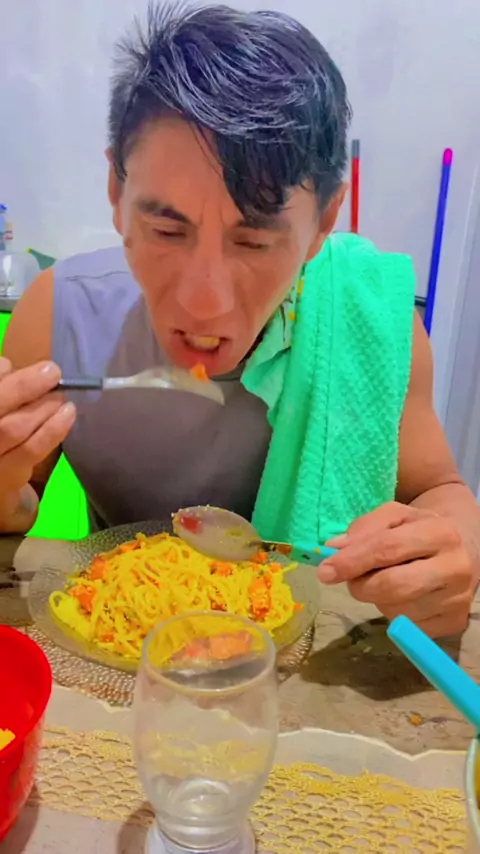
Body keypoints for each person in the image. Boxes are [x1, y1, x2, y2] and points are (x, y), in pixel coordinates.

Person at [0, 4, 478, 639]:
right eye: (167, 230)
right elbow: (16, 509)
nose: (205, 302)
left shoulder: (375, 328)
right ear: (116, 191)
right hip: (118, 644)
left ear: (324, 222)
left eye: (253, 242)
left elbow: (438, 491)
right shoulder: (60, 316)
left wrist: (454, 542)